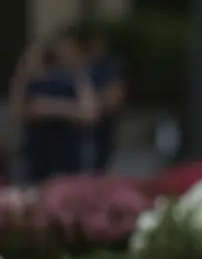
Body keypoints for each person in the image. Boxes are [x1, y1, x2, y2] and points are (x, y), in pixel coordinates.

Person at [8, 29, 99, 182]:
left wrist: (51, 107)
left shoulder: (76, 79)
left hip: (70, 155)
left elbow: (89, 113)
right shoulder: (33, 82)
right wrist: (23, 73)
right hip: (37, 158)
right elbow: (18, 113)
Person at [81, 25, 126, 173]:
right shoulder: (83, 65)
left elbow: (114, 97)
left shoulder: (111, 65)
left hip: (103, 127)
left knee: (99, 165)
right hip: (80, 130)